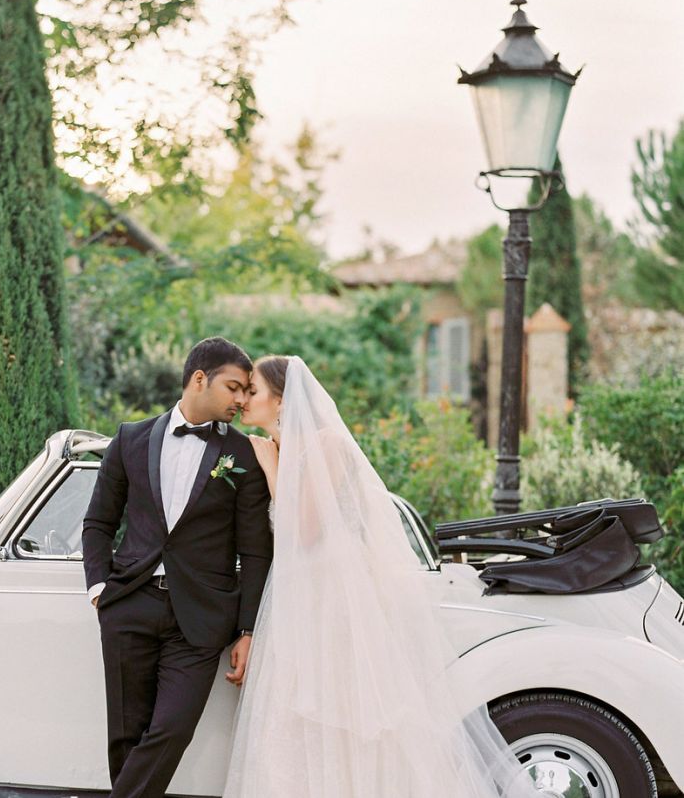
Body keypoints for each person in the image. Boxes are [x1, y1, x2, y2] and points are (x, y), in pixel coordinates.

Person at [223, 354, 539, 798]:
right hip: (300, 593)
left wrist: (270, 464)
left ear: (281, 399)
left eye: (253, 391)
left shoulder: (324, 443)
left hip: (335, 591)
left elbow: (307, 529)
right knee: (295, 714)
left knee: (346, 710)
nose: (243, 401)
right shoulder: (280, 447)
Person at [82, 337, 273, 798]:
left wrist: (247, 628)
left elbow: (256, 550)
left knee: (171, 730)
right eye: (235, 387)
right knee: (125, 737)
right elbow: (98, 522)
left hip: (202, 618)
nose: (242, 400)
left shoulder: (244, 453)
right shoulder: (130, 438)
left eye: (248, 391)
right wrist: (99, 590)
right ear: (199, 379)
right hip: (129, 604)